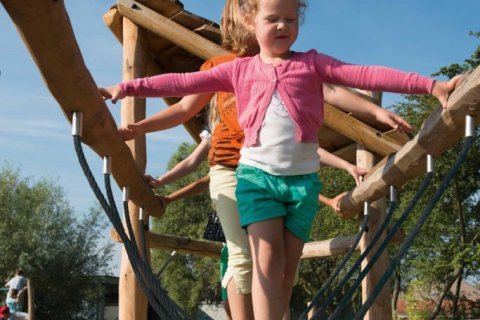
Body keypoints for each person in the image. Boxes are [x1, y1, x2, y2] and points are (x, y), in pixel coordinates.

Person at [99, 0, 461, 318]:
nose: (283, 26)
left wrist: (432, 86)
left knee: (287, 274)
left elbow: (363, 74)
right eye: (273, 18)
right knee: (265, 264)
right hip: (256, 181)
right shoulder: (237, 70)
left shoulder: (311, 65)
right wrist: (125, 88)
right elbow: (180, 85)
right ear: (250, 21)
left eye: (291, 19)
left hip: (302, 186)